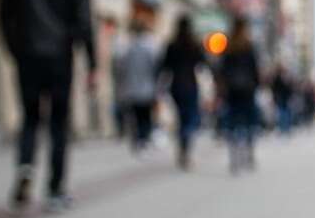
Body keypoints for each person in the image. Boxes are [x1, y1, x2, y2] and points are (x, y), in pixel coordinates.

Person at [0, 0, 97, 213]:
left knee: (30, 117)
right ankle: (55, 189)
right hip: (59, 58)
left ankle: (25, 168)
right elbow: (84, 22)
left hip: (27, 55)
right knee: (57, 123)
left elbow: (3, 15)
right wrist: (92, 64)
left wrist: (15, 50)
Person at [157, 15, 206, 169]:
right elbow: (203, 63)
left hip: (176, 86)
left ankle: (183, 148)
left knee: (181, 118)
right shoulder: (194, 44)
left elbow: (164, 66)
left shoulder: (173, 45)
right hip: (190, 85)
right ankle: (186, 145)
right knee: (190, 118)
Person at [214, 20, 261, 174]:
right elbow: (255, 70)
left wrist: (222, 88)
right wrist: (256, 85)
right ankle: (248, 153)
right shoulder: (249, 47)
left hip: (232, 92)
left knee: (232, 124)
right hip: (247, 91)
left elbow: (221, 70)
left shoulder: (228, 47)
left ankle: (234, 156)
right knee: (249, 123)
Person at [112, 19, 158, 154]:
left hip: (132, 89)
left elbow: (120, 68)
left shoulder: (128, 48)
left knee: (136, 116)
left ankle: (138, 139)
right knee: (145, 115)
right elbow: (155, 67)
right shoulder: (150, 47)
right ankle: (144, 138)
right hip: (147, 88)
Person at [270, 67, 294, 135]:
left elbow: (289, 89)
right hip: (281, 98)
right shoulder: (278, 79)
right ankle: (283, 128)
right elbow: (274, 89)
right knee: (282, 113)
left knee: (284, 113)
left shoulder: (284, 78)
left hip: (284, 99)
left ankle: (285, 128)